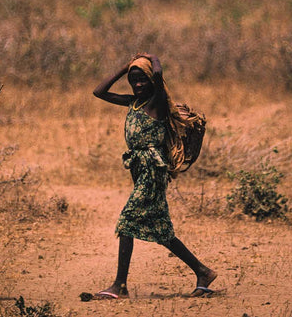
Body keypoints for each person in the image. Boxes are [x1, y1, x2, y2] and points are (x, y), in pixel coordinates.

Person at [92, 53, 216, 299]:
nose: (138, 85)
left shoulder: (156, 102)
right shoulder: (132, 102)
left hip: (152, 171)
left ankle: (120, 285)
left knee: (127, 222)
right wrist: (124, 68)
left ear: (151, 81)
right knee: (162, 231)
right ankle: (203, 272)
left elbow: (159, 75)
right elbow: (99, 92)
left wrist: (153, 59)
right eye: (134, 80)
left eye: (142, 80)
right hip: (140, 170)